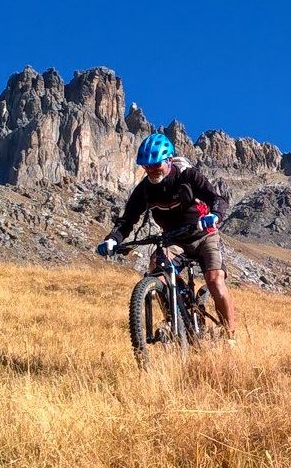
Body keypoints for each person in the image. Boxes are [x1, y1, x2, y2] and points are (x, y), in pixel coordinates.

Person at [96, 132, 236, 341]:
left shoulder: (188, 176)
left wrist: (214, 216)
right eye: (146, 166)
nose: (151, 170)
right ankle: (175, 318)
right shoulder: (144, 190)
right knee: (156, 268)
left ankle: (230, 336)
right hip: (174, 240)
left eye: (155, 164)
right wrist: (113, 239)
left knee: (215, 280)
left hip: (204, 235)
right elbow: (127, 220)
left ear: (169, 160)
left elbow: (217, 199)